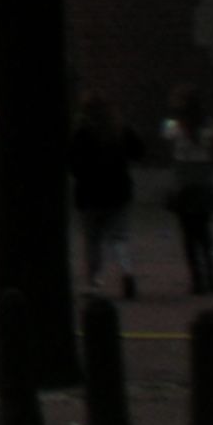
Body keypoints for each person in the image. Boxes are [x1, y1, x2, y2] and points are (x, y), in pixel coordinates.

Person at [67, 95, 145, 300]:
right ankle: (127, 271)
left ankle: (94, 283)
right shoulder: (119, 129)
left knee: (92, 240)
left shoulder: (82, 133)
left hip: (90, 193)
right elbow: (138, 151)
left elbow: (72, 162)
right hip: (119, 190)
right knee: (120, 237)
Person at [161, 86, 213, 296]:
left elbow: (170, 151)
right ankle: (212, 277)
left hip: (184, 182)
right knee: (205, 232)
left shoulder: (173, 125)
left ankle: (197, 280)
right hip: (203, 180)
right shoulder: (210, 124)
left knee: (188, 235)